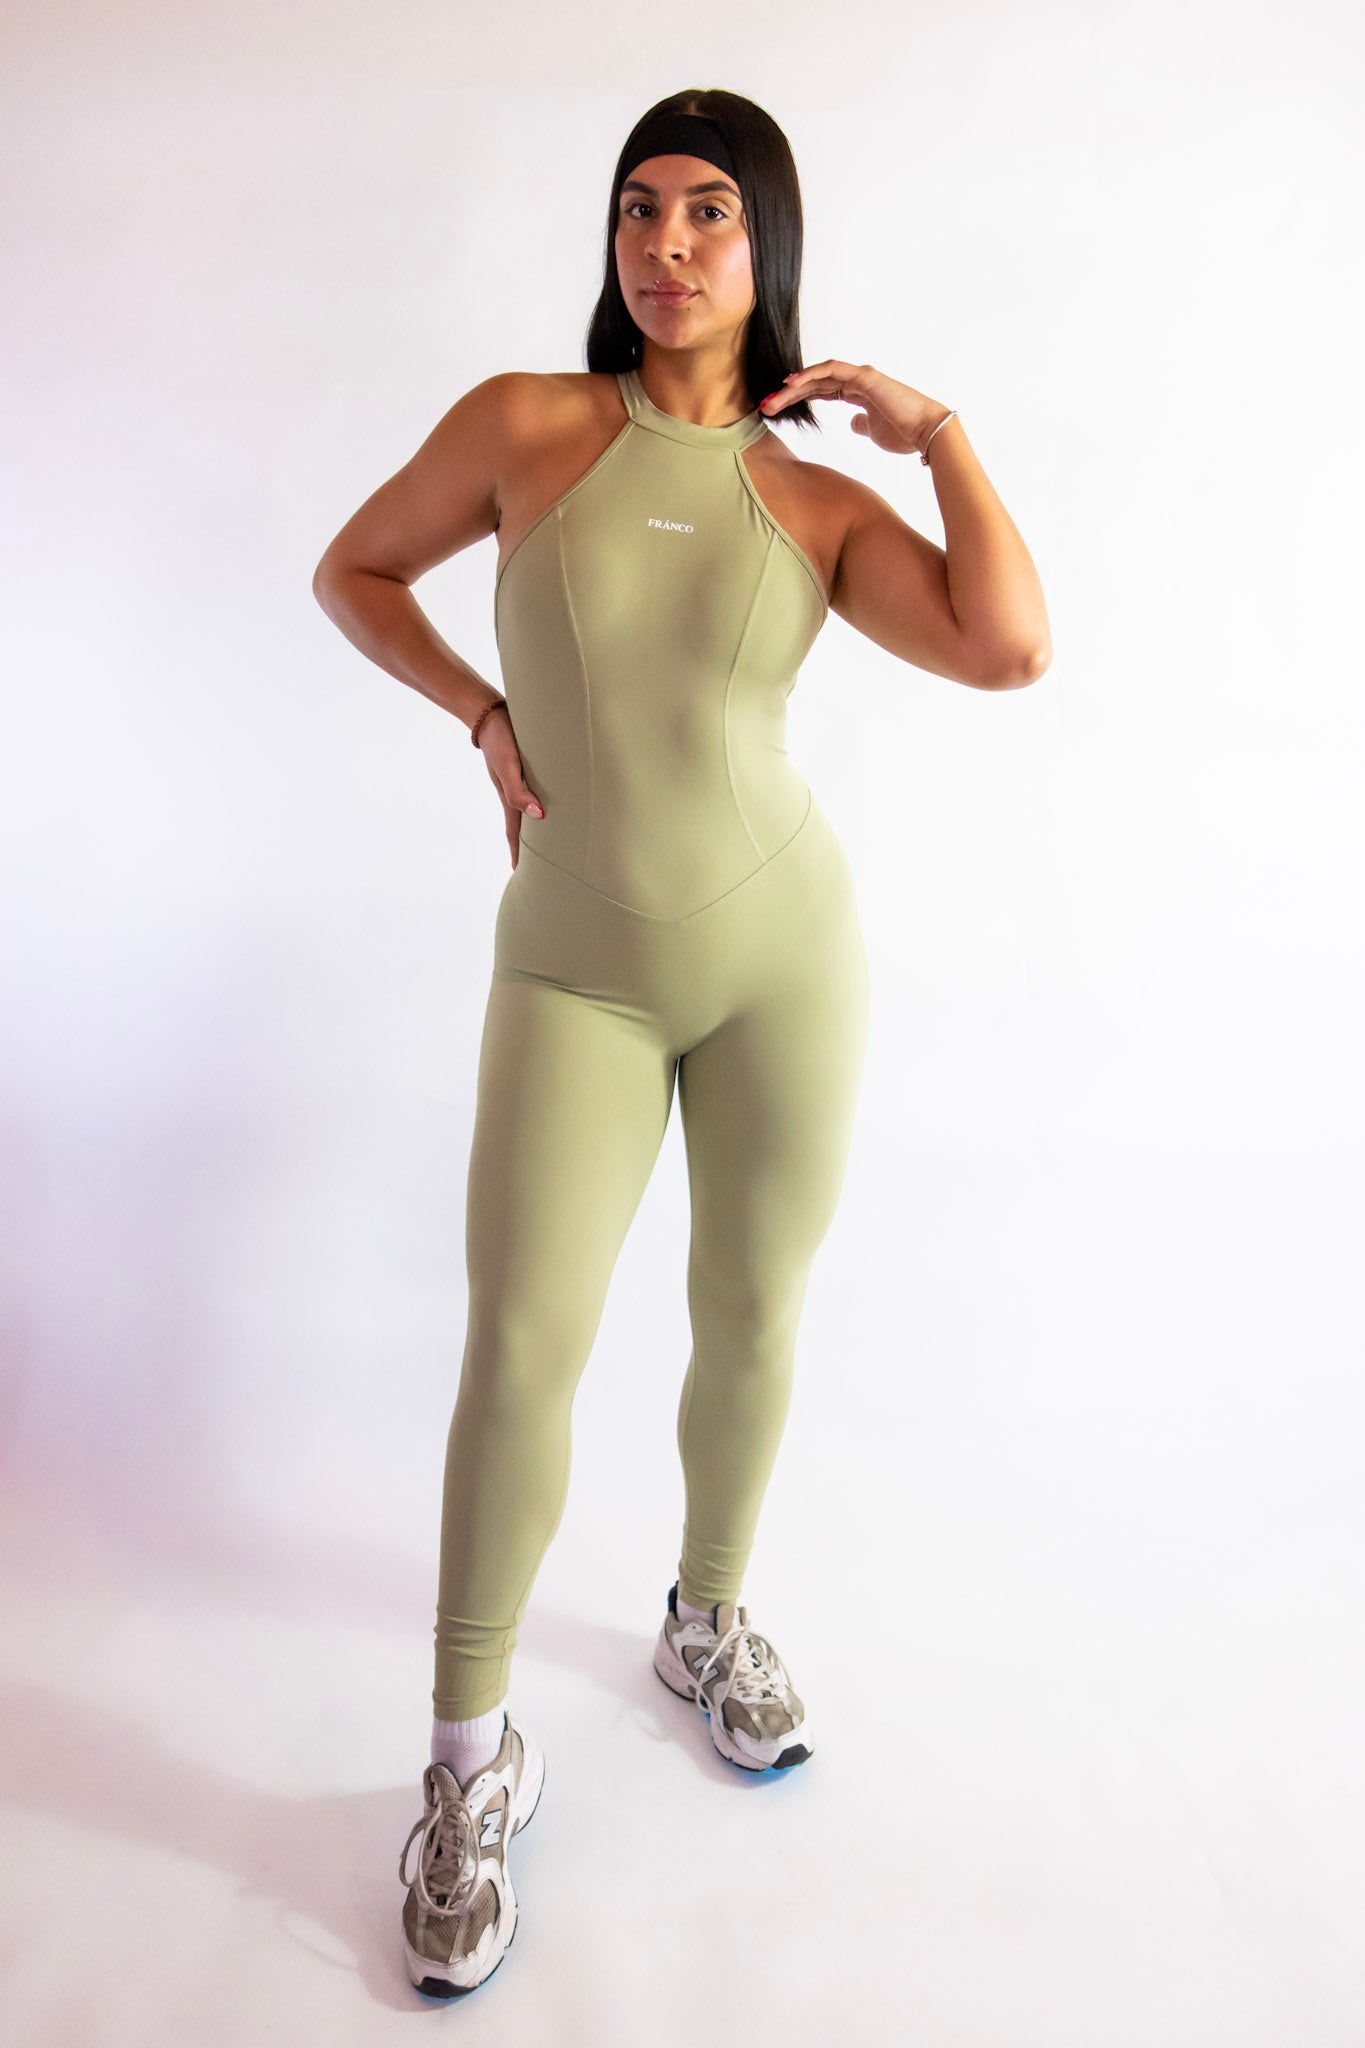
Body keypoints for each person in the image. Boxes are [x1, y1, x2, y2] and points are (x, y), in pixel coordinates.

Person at [312, 87, 1051, 1999]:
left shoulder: (815, 500)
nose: (665, 244)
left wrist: (939, 437)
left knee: (751, 1309)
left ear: (764, 242)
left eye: (709, 211)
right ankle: (467, 1762)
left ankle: (702, 1621)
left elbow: (1006, 647)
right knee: (519, 1345)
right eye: (639, 208)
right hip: (573, 965)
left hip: (782, 960)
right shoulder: (523, 427)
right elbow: (353, 571)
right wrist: (483, 715)